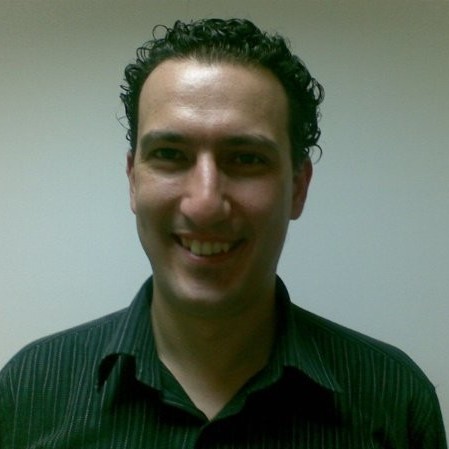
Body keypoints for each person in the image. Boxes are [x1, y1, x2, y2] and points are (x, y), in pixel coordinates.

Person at [0, 18, 446, 449]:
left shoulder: (395, 400)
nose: (205, 204)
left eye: (247, 158)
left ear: (298, 187)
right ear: (133, 180)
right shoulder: (28, 390)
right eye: (170, 154)